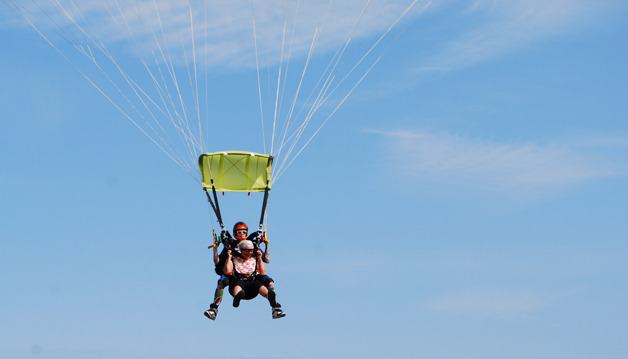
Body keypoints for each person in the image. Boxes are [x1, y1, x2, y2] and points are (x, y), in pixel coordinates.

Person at [203, 221, 280, 320]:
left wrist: (266, 245)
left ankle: (274, 306)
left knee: (269, 282)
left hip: (253, 281)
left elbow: (265, 264)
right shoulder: (231, 250)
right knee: (224, 282)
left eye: (244, 232)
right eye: (239, 233)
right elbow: (221, 266)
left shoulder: (254, 249)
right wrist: (217, 249)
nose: (242, 235)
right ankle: (214, 308)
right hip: (237, 279)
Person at [224, 239, 285, 319]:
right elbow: (228, 271)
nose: (248, 253)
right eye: (246, 251)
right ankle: (237, 298)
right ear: (240, 250)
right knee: (238, 283)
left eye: (250, 251)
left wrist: (259, 258)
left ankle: (270, 297)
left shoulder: (254, 259)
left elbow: (263, 273)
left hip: (251, 288)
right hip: (238, 283)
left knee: (257, 283)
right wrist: (229, 257)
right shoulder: (234, 258)